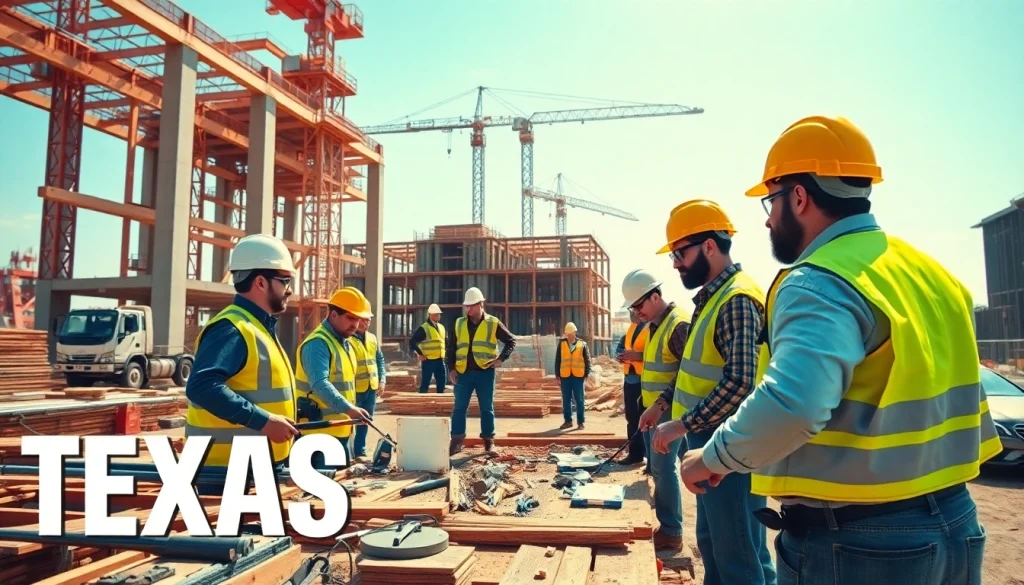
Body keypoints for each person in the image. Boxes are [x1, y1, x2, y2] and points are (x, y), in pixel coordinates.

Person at [679, 115, 1001, 585]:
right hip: (956, 523)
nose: (768, 218)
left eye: (770, 201)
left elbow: (794, 405)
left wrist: (711, 458)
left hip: (860, 544)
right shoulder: (935, 274)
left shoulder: (817, 280)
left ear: (800, 197)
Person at [649, 199, 775, 585]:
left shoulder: (736, 299)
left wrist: (681, 425)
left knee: (738, 556)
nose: (674, 263)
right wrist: (663, 405)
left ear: (709, 246)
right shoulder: (711, 298)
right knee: (716, 544)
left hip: (729, 445)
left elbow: (739, 382)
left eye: (679, 253)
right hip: (710, 442)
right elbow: (693, 369)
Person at [185, 234, 300, 495]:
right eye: (285, 281)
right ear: (260, 282)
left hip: (251, 465)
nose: (290, 289)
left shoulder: (257, 327)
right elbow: (202, 387)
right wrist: (263, 421)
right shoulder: (233, 328)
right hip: (225, 473)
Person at [626, 268, 690, 551]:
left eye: (639, 305)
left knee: (664, 470)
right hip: (657, 409)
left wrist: (660, 405)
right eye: (633, 308)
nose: (636, 312)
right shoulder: (654, 325)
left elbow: (685, 373)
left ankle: (672, 531)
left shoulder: (677, 325)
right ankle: (672, 525)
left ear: (655, 296)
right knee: (669, 468)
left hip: (670, 410)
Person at [294, 287, 372, 467]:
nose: (355, 324)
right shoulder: (318, 343)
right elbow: (320, 384)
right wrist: (349, 409)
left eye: (358, 319)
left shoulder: (345, 344)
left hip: (340, 430)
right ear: (334, 314)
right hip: (318, 435)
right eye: (350, 318)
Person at [446, 286, 516, 456]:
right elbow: (452, 347)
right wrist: (452, 368)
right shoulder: (458, 323)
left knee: (486, 408)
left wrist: (500, 359)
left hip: (485, 373)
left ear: (480, 304)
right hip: (463, 373)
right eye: (466, 306)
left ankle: (488, 443)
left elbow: (511, 341)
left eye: (471, 306)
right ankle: (456, 442)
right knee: (459, 408)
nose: (467, 309)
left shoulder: (493, 323)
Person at [350, 299, 386, 461]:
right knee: (349, 423)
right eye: (364, 319)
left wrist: (382, 379)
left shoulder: (372, 338)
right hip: (354, 389)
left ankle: (360, 451)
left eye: (369, 320)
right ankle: (348, 452)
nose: (367, 323)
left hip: (371, 388)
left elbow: (380, 360)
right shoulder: (348, 340)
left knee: (365, 421)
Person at [615, 310, 649, 465]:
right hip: (630, 379)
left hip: (646, 380)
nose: (631, 312)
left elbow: (658, 353)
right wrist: (621, 355)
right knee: (632, 418)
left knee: (648, 420)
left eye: (632, 309)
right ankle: (635, 455)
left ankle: (651, 460)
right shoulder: (631, 329)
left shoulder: (651, 328)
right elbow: (621, 347)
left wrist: (639, 356)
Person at [553, 322, 592, 430]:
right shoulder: (561, 344)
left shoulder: (582, 344)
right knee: (566, 399)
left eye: (571, 334)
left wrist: (587, 373)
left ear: (575, 333)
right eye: (567, 334)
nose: (569, 336)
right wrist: (557, 374)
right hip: (565, 376)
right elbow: (558, 360)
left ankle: (580, 422)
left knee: (579, 399)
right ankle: (568, 421)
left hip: (578, 376)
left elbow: (587, 360)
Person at [409, 303, 447, 393]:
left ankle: (439, 404)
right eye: (437, 314)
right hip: (428, 361)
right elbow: (412, 342)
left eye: (439, 314)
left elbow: (445, 342)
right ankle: (422, 404)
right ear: (431, 315)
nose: (439, 316)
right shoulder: (424, 328)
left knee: (442, 384)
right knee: (425, 384)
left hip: (440, 360)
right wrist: (419, 353)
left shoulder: (442, 327)